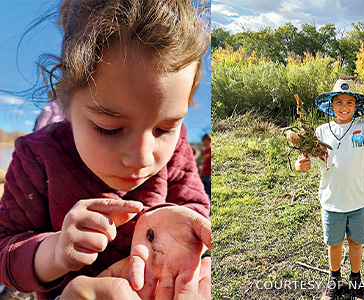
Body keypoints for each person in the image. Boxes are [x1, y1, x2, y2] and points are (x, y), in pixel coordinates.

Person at [0, 1, 211, 299]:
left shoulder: (178, 151)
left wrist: (181, 227)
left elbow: (194, 206)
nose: (141, 157)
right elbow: (5, 249)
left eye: (164, 129)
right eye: (109, 129)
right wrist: (55, 251)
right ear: (65, 102)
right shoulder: (36, 156)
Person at [295, 79, 364, 300]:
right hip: (332, 199)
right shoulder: (321, 131)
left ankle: (356, 280)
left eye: (349, 102)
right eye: (339, 102)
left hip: (359, 200)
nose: (344, 106)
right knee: (334, 244)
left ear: (356, 106)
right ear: (330, 105)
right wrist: (300, 165)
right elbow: (309, 161)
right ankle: (334, 280)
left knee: (355, 243)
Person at [200, 132, 211, 197]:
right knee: (204, 191)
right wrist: (201, 173)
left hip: (210, 175)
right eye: (204, 143)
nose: (205, 145)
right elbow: (204, 163)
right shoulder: (205, 152)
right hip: (205, 174)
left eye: (206, 143)